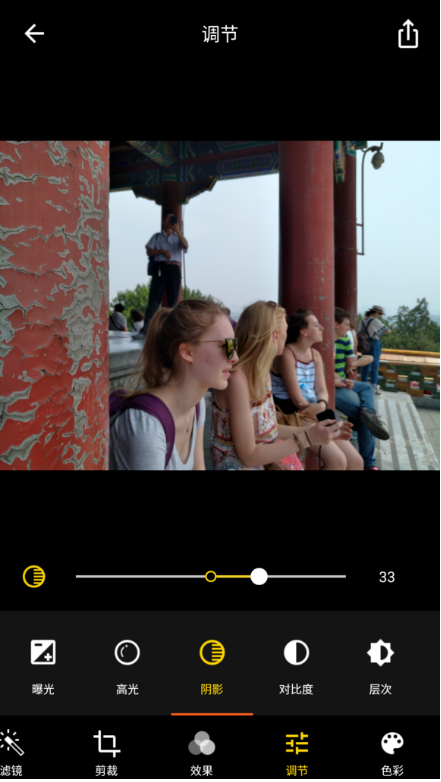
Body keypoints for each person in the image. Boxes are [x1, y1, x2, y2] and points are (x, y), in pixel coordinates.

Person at [210, 301, 353, 471]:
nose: (287, 335)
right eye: (286, 330)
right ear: (275, 335)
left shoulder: (262, 373)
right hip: (237, 464)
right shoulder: (237, 380)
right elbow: (248, 456)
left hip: (261, 456)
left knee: (338, 461)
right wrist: (307, 437)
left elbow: (270, 429)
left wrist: (316, 430)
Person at [110, 300, 237, 470]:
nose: (235, 357)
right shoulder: (146, 428)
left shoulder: (196, 404)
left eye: (234, 345)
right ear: (188, 352)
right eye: (227, 345)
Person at [270, 309, 363, 470]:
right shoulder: (287, 354)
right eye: (316, 325)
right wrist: (318, 409)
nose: (322, 328)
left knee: (356, 462)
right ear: (303, 331)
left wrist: (321, 405)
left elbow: (322, 391)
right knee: (338, 461)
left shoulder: (316, 355)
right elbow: (297, 400)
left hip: (314, 412)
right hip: (295, 414)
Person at [334, 307, 390, 470]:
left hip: (341, 381)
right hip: (333, 385)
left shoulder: (344, 338)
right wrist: (339, 380)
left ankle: (368, 412)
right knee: (364, 416)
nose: (349, 328)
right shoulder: (327, 342)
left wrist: (342, 379)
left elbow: (339, 367)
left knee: (366, 388)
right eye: (346, 324)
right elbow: (325, 371)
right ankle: (369, 463)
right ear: (336, 324)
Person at [132, 211, 189, 340]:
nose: (169, 220)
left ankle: (171, 332)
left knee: (172, 302)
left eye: (171, 218)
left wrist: (178, 231)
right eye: (167, 217)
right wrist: (162, 251)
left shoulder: (178, 236)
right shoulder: (157, 237)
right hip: (160, 268)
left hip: (174, 268)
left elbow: (186, 246)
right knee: (154, 299)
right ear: (163, 221)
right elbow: (149, 251)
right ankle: (146, 331)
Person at [359, 306, 391, 394]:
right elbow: (387, 330)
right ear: (376, 312)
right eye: (380, 314)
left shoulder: (362, 320)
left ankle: (363, 386)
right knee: (375, 365)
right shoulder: (374, 320)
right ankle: (373, 388)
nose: (380, 316)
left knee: (365, 364)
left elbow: (359, 332)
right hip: (374, 343)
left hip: (364, 344)